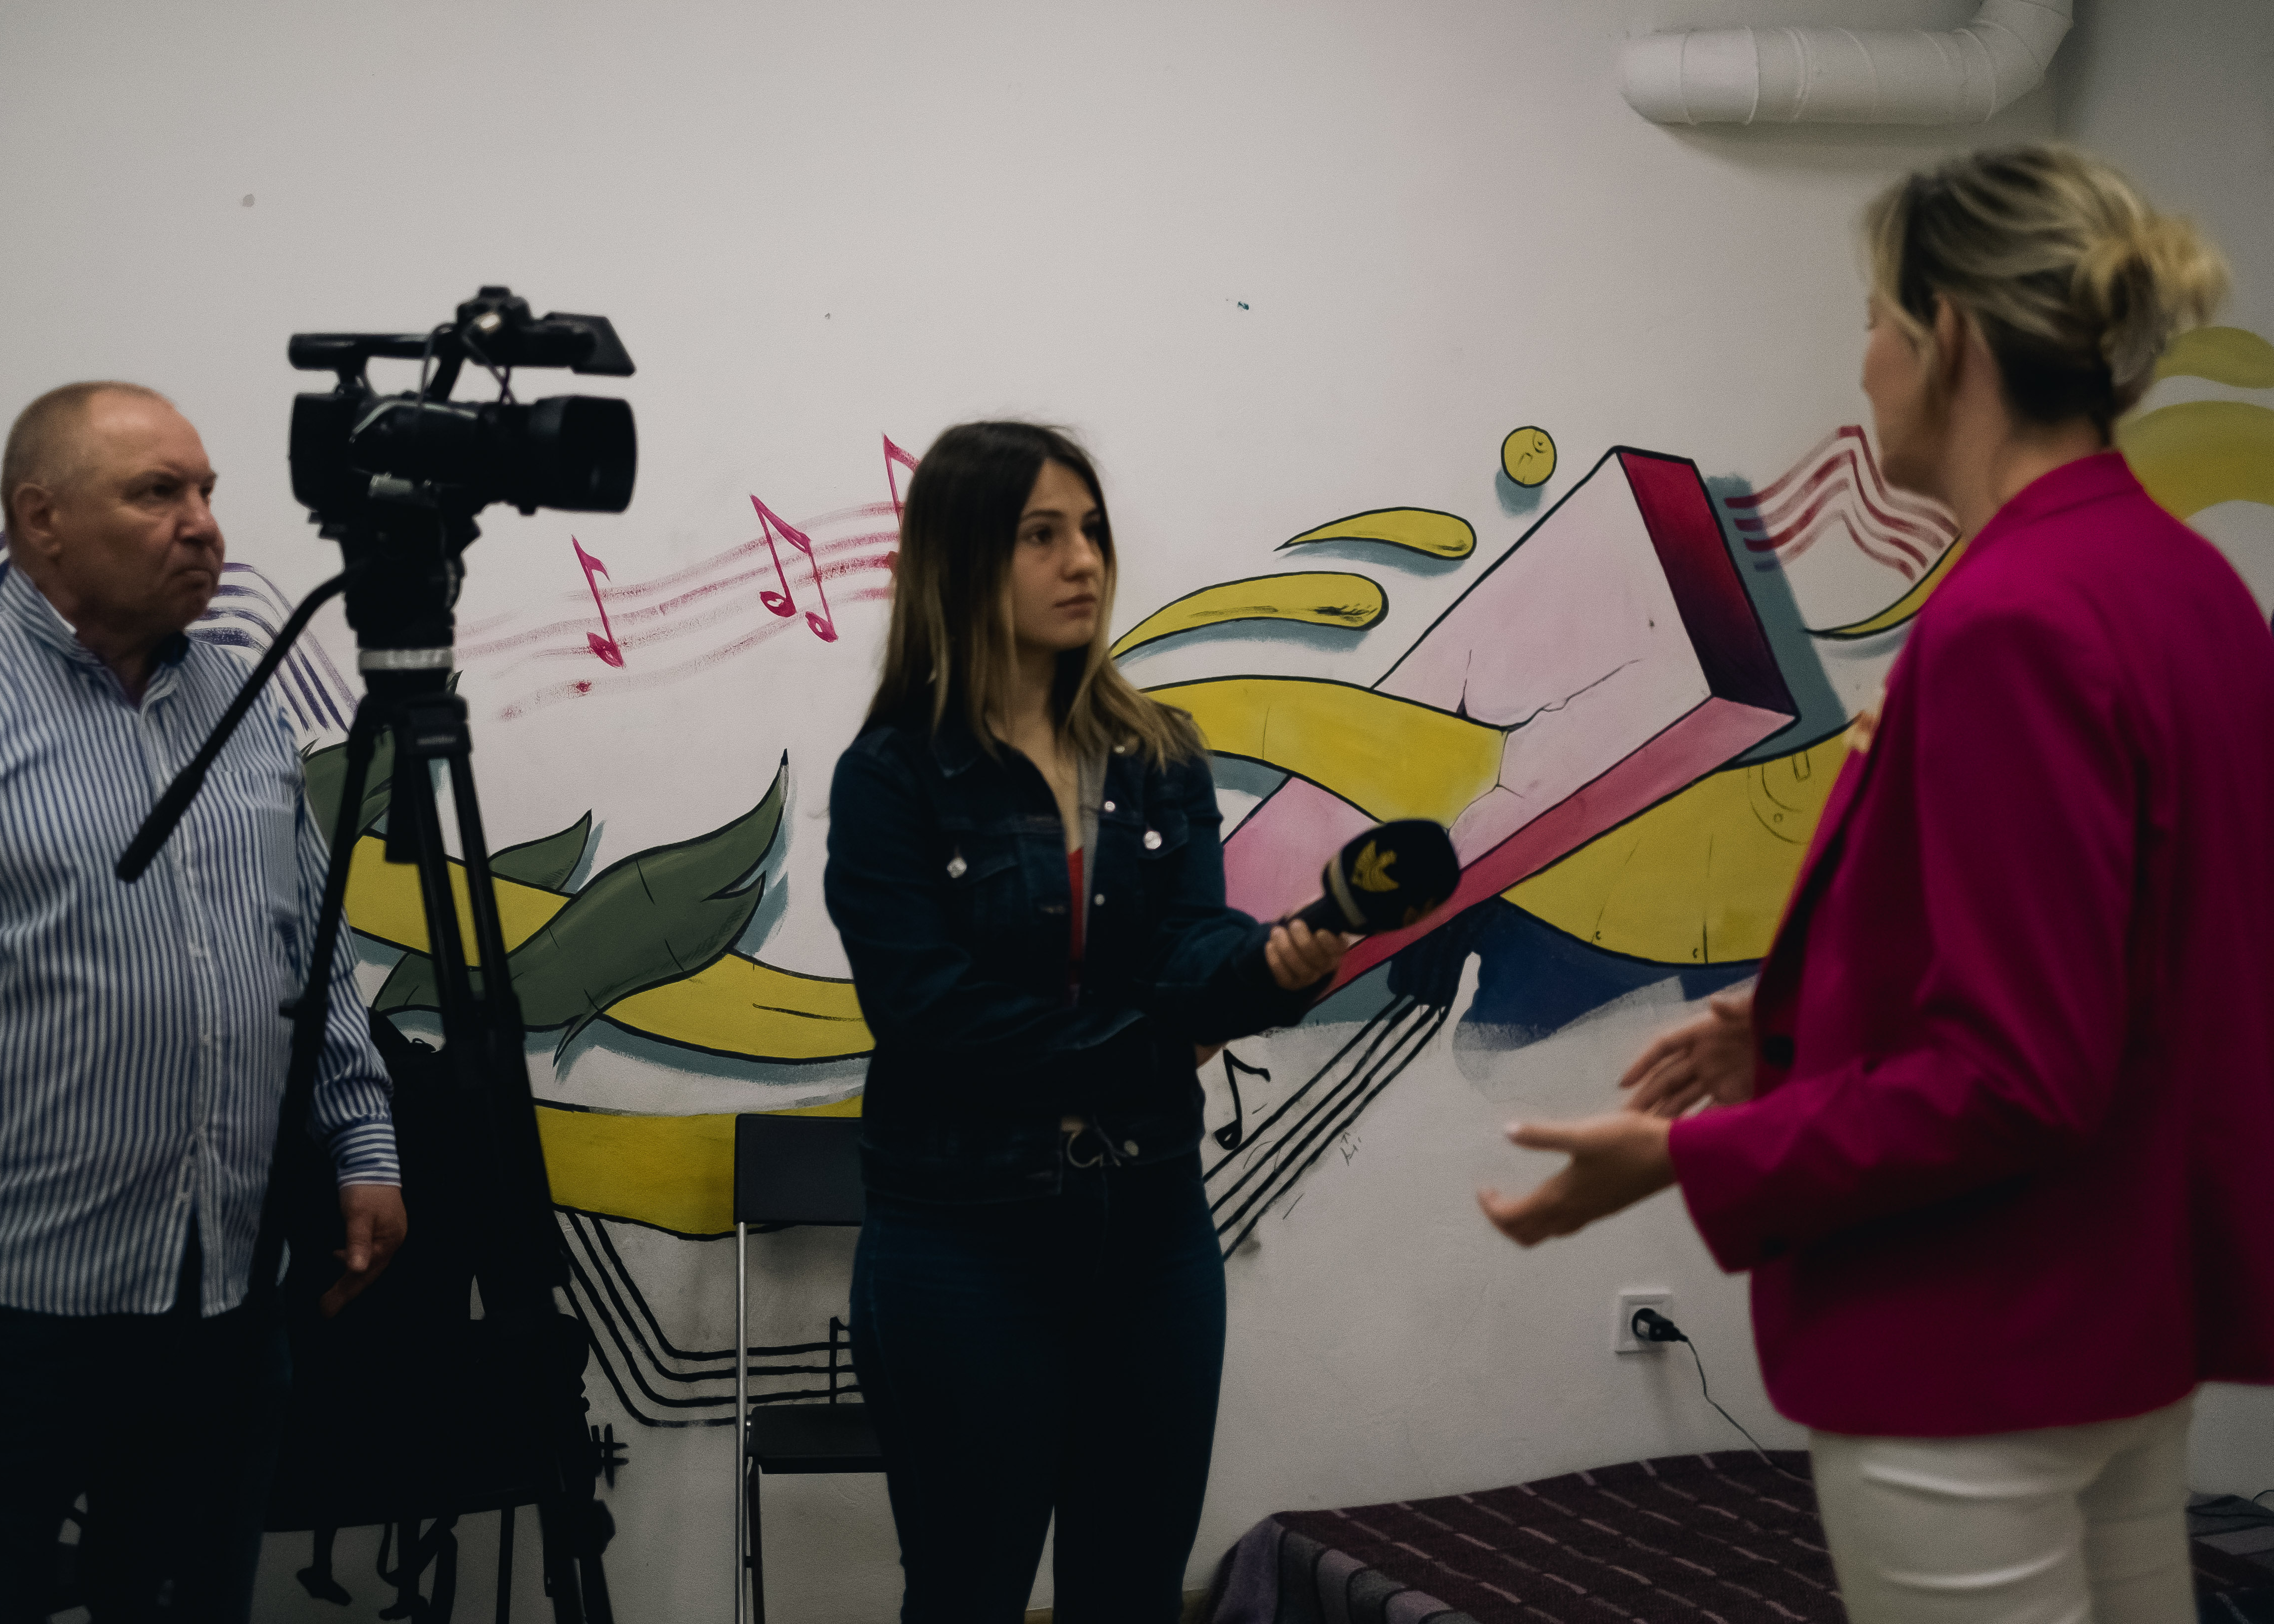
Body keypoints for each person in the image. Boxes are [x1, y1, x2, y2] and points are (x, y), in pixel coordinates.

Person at [1478, 145, 2274, 1622]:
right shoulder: (2190, 587)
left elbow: (2016, 1076)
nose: (1862, 365)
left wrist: (1690, 1161)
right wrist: (1791, 1025)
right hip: (2122, 1322)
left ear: (1949, 333)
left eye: (1872, 321)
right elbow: (2127, 968)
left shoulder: (2012, 620)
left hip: (1977, 1347)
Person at [0, 381, 406, 1621]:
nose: (203, 523)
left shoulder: (242, 705)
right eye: (159, 493)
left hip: (220, 1295)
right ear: (41, 519)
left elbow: (308, 947)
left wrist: (364, 1143)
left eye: (205, 491)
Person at [824, 421, 1347, 1623]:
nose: (1085, 563)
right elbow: (934, 1018)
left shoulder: (1156, 753)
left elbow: (1190, 945)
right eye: (1042, 536)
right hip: (961, 1241)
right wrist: (1161, 1043)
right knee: (967, 1593)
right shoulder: (895, 776)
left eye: (1094, 532)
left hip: (1153, 1233)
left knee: (1131, 1593)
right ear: (962, 559)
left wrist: (1272, 969)